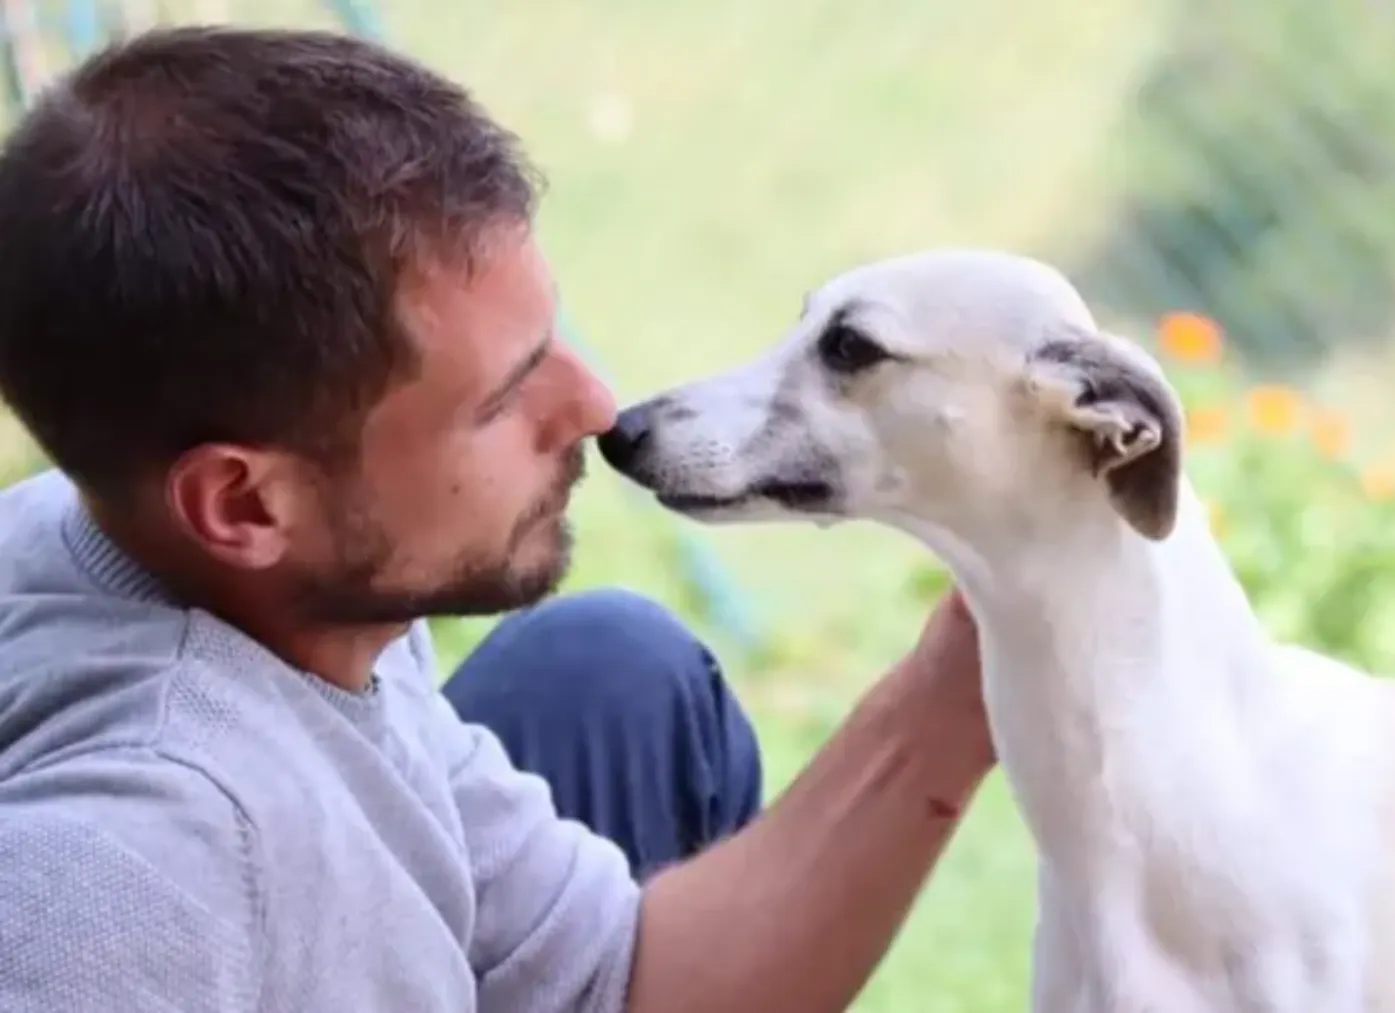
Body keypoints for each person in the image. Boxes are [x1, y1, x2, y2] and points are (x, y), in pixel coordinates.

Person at [0, 24, 993, 1013]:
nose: (595, 406)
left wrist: (963, 679)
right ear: (244, 502)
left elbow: (617, 979)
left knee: (617, 675)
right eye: (503, 395)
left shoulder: (295, 600)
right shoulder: (135, 871)